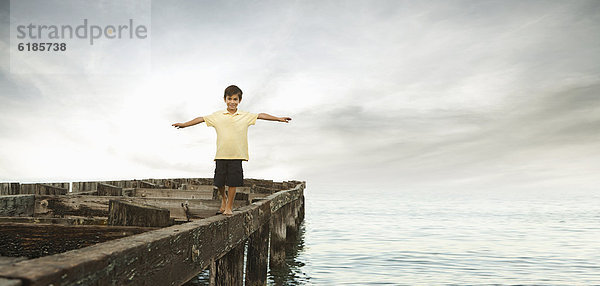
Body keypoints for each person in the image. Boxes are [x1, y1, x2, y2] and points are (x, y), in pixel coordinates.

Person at [172, 85, 291, 216]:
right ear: (225, 100)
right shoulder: (217, 116)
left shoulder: (245, 116)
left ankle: (229, 207)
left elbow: (260, 115)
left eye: (235, 99)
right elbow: (201, 119)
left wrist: (278, 119)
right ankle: (224, 199)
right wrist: (184, 124)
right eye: (229, 99)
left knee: (233, 182)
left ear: (239, 101)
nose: (232, 102)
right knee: (219, 183)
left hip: (237, 155)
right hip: (221, 154)